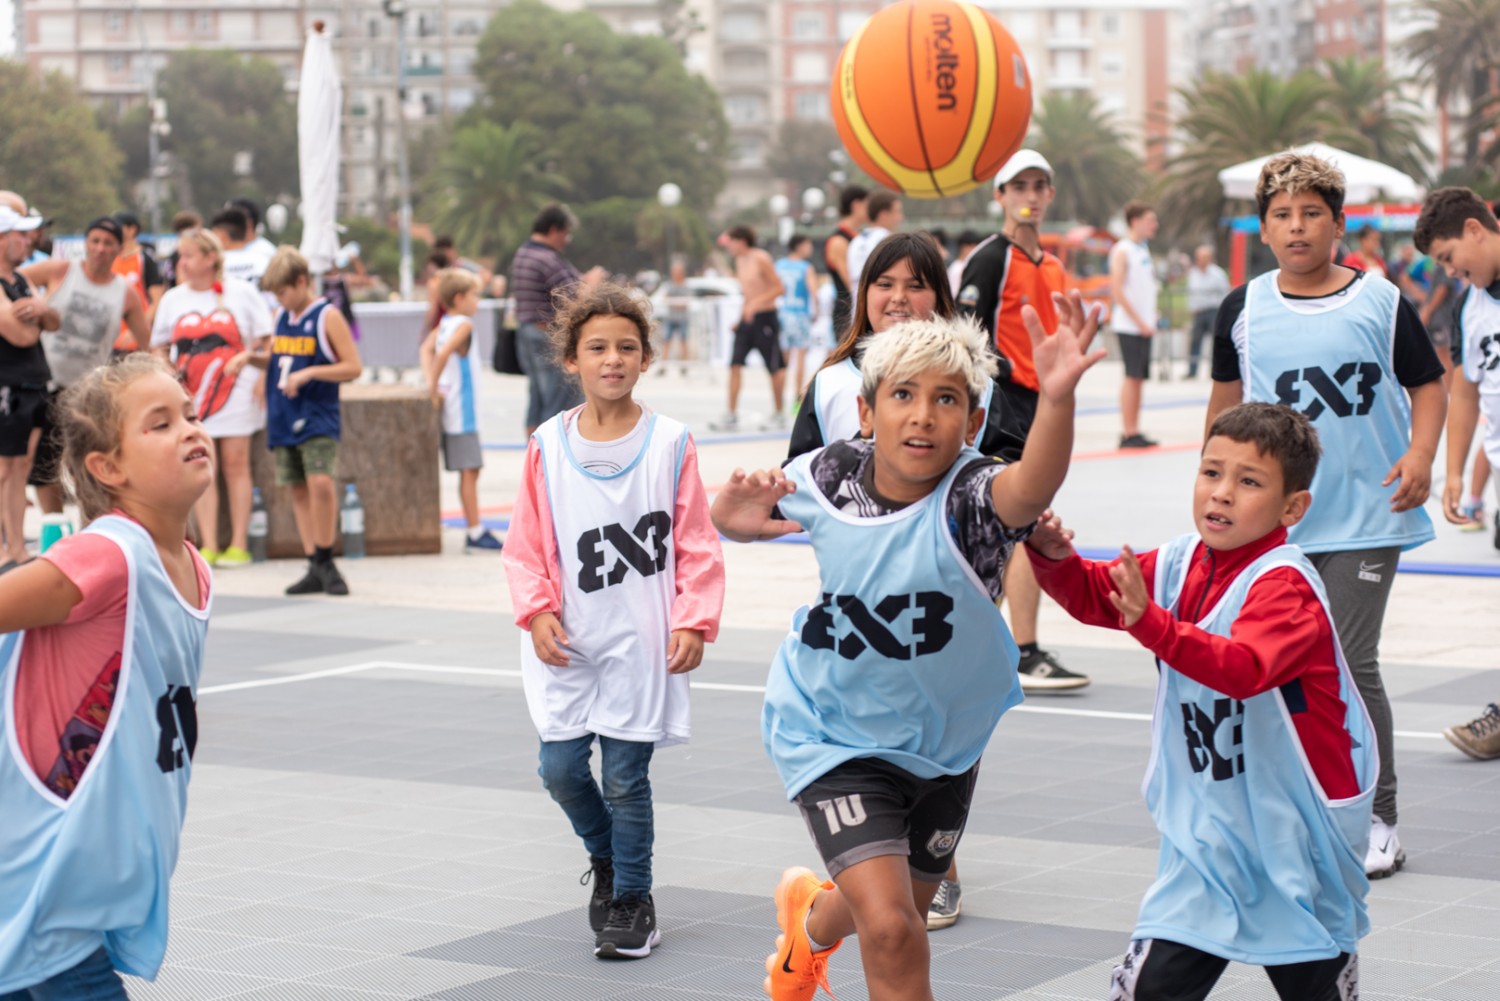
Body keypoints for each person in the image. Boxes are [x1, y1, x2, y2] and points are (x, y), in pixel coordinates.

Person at [712, 298, 1103, 1001]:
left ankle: (812, 919)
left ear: (972, 422)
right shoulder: (828, 474)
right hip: (831, 733)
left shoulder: (976, 499)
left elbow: (1033, 483)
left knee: (898, 913)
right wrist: (730, 520)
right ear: (867, 413)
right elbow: (751, 516)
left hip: (945, 743)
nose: (922, 414)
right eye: (903, 394)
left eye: (945, 398)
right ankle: (827, 921)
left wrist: (1058, 399)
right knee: (893, 929)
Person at [1027, 402, 1373, 1001]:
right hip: (1209, 837)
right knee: (1147, 991)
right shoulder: (1183, 560)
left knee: (1312, 984)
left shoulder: (1285, 585)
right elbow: (1100, 595)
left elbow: (1242, 668)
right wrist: (1054, 557)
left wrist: (1153, 625)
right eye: (1211, 473)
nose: (1222, 493)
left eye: (1248, 481)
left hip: (1293, 838)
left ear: (1293, 507)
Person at [1207, 151, 1445, 880]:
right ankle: (1293, 806)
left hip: (1369, 512)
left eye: (1312, 212)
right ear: (1264, 227)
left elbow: (1428, 384)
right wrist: (1216, 495)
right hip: (1277, 525)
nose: (1297, 225)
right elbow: (1224, 415)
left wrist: (1421, 456)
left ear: (1340, 224)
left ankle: (1379, 816)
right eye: (1282, 214)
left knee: (1346, 659)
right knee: (1276, 667)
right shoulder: (1242, 309)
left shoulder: (1380, 301)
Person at [502, 283, 725, 960]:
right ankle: (606, 856)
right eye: (597, 347)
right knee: (561, 768)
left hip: (640, 642)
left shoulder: (669, 443)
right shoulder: (547, 443)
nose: (612, 359)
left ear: (646, 357)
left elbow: (695, 540)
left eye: (627, 347)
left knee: (627, 776)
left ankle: (632, 898)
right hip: (568, 641)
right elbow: (527, 543)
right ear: (571, 359)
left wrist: (694, 617)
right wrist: (536, 608)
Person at [0, 353, 214, 1000]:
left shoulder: (192, 565)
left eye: (190, 413)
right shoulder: (110, 551)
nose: (188, 429)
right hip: (54, 874)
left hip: (91, 874)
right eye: (160, 423)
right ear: (108, 467)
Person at [958, 148, 1093, 695]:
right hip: (1001, 406)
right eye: (1020, 187)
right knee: (1018, 527)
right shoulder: (990, 259)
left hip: (1044, 407)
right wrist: (1013, 370)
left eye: (1040, 186)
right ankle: (1025, 651)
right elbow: (964, 338)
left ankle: (980, 644)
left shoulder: (1055, 265)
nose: (1031, 197)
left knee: (1004, 528)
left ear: (1050, 195)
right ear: (1001, 196)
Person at [150, 227, 275, 569]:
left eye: (189, 255)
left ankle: (239, 543)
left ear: (209, 258)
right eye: (181, 256)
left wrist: (258, 369)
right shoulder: (174, 298)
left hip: (236, 391)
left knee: (236, 464)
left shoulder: (243, 293)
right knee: (202, 465)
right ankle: (208, 543)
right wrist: (166, 368)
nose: (182, 262)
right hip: (189, 396)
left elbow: (265, 341)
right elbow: (158, 344)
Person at [20, 216, 150, 515]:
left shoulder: (124, 292)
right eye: (95, 241)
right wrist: (32, 304)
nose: (100, 249)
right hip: (46, 381)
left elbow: (146, 344)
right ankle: (54, 523)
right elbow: (11, 278)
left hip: (87, 391)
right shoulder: (62, 270)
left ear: (119, 248)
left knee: (88, 464)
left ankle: (89, 525)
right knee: (42, 464)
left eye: (108, 243)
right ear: (85, 244)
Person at [258, 246, 364, 596]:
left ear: (301, 281)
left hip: (317, 413)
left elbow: (353, 366)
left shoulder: (326, 315)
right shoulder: (281, 317)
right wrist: (249, 360)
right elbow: (280, 362)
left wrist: (311, 373)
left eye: (283, 291)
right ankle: (313, 562)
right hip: (284, 414)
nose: (280, 298)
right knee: (298, 488)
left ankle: (326, 555)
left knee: (321, 482)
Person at [1415, 187, 1500, 553]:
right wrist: (1453, 473)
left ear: (1474, 229)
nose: (1450, 271)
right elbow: (1465, 395)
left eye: (1448, 256)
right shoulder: (1468, 307)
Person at [420, 268, 503, 554]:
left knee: (468, 471)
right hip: (463, 411)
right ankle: (474, 530)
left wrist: (432, 380)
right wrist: (431, 385)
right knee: (470, 471)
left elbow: (427, 349)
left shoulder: (443, 324)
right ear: (459, 297)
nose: (478, 301)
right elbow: (441, 354)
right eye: (474, 295)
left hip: (453, 406)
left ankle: (474, 527)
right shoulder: (464, 325)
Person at [511, 204, 608, 433]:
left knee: (537, 399)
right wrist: (591, 284)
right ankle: (551, 457)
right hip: (548, 337)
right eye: (566, 234)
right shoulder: (547, 259)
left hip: (526, 333)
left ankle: (534, 459)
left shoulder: (524, 253)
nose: (566, 240)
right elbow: (573, 298)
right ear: (554, 230)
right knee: (559, 401)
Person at [0, 204, 56, 572]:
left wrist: (39, 310)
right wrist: (40, 313)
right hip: (8, 384)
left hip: (34, 381)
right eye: (19, 235)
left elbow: (53, 319)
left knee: (22, 466)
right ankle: (5, 548)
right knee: (4, 469)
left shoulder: (22, 280)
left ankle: (18, 546)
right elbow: (20, 333)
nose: (27, 241)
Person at [710, 226, 786, 431]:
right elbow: (748, 293)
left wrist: (756, 305)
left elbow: (779, 288)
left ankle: (779, 413)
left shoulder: (760, 257)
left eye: (732, 242)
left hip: (765, 318)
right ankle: (731, 413)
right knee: (734, 364)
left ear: (742, 241)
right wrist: (741, 316)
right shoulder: (739, 261)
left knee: (774, 367)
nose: (729, 247)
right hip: (747, 318)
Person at [1110, 200, 1160, 448]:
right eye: (1150, 220)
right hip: (1130, 326)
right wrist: (1139, 321)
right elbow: (1117, 290)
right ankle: (1128, 432)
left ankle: (1135, 429)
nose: (1154, 225)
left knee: (1139, 377)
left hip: (1144, 325)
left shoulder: (1142, 250)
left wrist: (1152, 316)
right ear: (1135, 222)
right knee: (1132, 376)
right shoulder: (1123, 250)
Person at [111, 212, 163, 353]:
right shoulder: (111, 259)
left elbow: (157, 301)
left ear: (131, 229)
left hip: (136, 341)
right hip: (111, 340)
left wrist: (136, 330)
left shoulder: (145, 260)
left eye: (118, 227)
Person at [776, 235, 820, 398]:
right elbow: (814, 291)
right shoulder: (805, 267)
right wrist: (817, 311)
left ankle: (779, 398)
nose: (810, 249)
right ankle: (797, 396)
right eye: (808, 244)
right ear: (799, 246)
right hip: (800, 314)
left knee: (783, 361)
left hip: (783, 314)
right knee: (800, 357)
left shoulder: (779, 265)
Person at [825, 185, 868, 338]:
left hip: (861, 308)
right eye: (867, 205)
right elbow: (850, 282)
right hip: (848, 312)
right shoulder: (839, 241)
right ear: (856, 205)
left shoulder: (861, 237)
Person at [1185, 244, 1230, 379]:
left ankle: (1216, 370)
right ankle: (1192, 371)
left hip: (1213, 311)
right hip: (1198, 312)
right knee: (1195, 341)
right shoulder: (1193, 274)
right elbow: (1190, 293)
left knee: (1216, 342)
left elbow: (1225, 293)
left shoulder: (1218, 274)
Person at [846, 189, 904, 292]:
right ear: (884, 214)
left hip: (859, 305)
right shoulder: (888, 241)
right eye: (897, 211)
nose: (901, 217)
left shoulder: (856, 241)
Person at [652, 258, 692, 377]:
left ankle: (684, 366)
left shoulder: (685, 285)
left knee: (683, 342)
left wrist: (673, 301)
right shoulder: (670, 285)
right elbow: (664, 297)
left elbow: (686, 301)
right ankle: (663, 366)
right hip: (671, 318)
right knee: (666, 342)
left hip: (682, 318)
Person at [159, 211, 202, 290]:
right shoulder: (182, 255)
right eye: (197, 229)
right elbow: (182, 284)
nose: (200, 232)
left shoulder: (174, 254)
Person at [946, 229, 982, 298]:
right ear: (965, 247)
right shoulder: (957, 268)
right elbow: (954, 294)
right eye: (974, 247)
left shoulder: (967, 265)